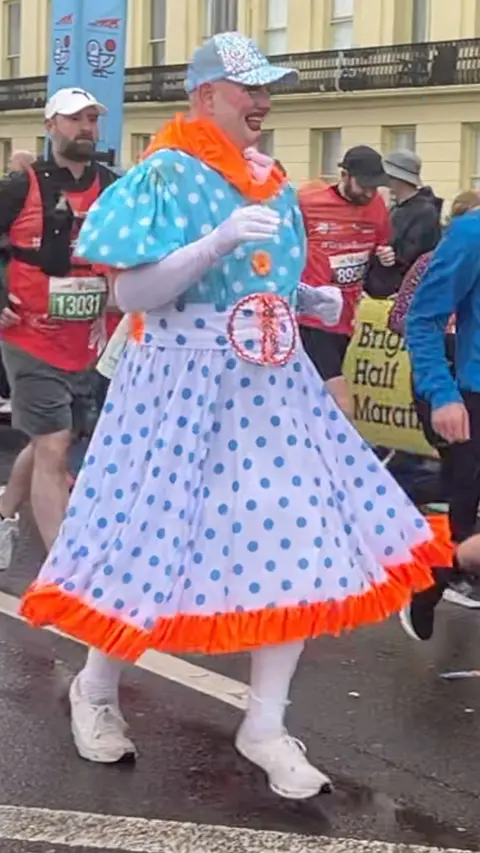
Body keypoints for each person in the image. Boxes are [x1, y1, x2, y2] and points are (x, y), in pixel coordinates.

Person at [21, 32, 449, 797]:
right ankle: (95, 688)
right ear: (205, 97)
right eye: (247, 86)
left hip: (269, 382)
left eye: (266, 86)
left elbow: (269, 279)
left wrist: (304, 299)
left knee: (295, 531)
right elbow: (133, 293)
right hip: (178, 385)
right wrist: (214, 243)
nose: (263, 99)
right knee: (148, 539)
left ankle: (267, 723)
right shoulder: (164, 174)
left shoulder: (275, 182)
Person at [0, 87, 118, 570]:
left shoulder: (111, 185)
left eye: (92, 118)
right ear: (51, 127)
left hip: (86, 342)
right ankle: (65, 573)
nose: (85, 127)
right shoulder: (20, 185)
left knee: (50, 438)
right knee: (53, 444)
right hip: (28, 336)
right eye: (74, 119)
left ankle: (3, 513)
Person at [388, 190, 480, 610]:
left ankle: (445, 568)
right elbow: (422, 319)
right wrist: (442, 394)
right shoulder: (471, 234)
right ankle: (444, 566)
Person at [298, 145, 394, 415]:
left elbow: (381, 253)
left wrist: (385, 258)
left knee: (313, 395)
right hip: (312, 316)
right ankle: (349, 453)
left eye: (375, 186)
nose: (369, 192)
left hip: (347, 319)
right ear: (344, 175)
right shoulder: (309, 203)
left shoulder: (377, 207)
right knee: (338, 397)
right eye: (364, 185)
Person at [367, 149, 443, 298]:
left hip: (399, 294)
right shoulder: (397, 207)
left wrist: (405, 291)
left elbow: (417, 258)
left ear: (395, 178)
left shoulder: (424, 212)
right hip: (383, 293)